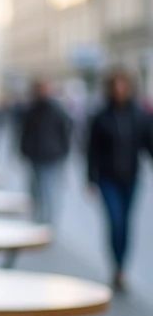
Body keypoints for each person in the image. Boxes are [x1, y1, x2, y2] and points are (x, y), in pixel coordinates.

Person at [87, 68, 153, 291]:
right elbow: (91, 149)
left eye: (123, 85)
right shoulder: (101, 116)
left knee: (126, 223)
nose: (119, 90)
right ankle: (116, 265)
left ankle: (122, 268)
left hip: (131, 178)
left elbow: (149, 144)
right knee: (115, 221)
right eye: (115, 85)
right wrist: (90, 178)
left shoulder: (140, 115)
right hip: (107, 178)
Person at [19, 80, 73, 226]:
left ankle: (47, 221)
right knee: (36, 188)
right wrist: (23, 150)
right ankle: (40, 217)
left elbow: (65, 132)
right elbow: (25, 132)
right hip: (35, 155)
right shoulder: (31, 110)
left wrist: (63, 151)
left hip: (51, 155)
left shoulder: (56, 110)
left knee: (47, 187)